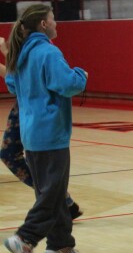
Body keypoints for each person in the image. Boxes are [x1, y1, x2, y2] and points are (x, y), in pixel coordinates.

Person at [3, 5, 88, 253]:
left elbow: (12, 84)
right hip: (51, 134)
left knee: (53, 191)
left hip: (31, 135)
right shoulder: (48, 52)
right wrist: (81, 74)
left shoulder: (21, 54)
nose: (56, 24)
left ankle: (61, 246)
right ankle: (25, 238)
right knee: (52, 194)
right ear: (43, 24)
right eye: (53, 19)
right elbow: (68, 83)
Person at [1, 36, 84, 220]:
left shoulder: (42, 49)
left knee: (30, 159)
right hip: (27, 106)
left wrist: (7, 54)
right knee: (12, 156)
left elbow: (18, 78)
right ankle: (60, 203)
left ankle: (35, 229)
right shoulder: (34, 47)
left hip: (33, 110)